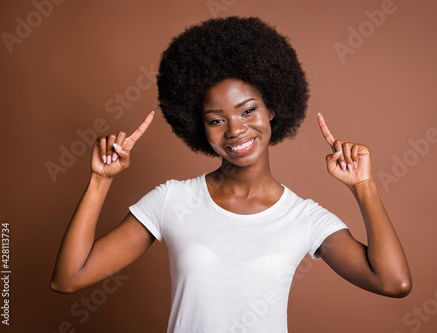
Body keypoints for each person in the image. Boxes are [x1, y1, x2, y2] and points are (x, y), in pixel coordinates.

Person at [51, 16, 411, 332]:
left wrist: (363, 186)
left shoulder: (303, 217)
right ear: (199, 127)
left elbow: (394, 282)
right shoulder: (173, 200)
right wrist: (100, 180)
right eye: (216, 120)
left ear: (272, 107)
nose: (235, 130)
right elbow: (69, 278)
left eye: (248, 110)